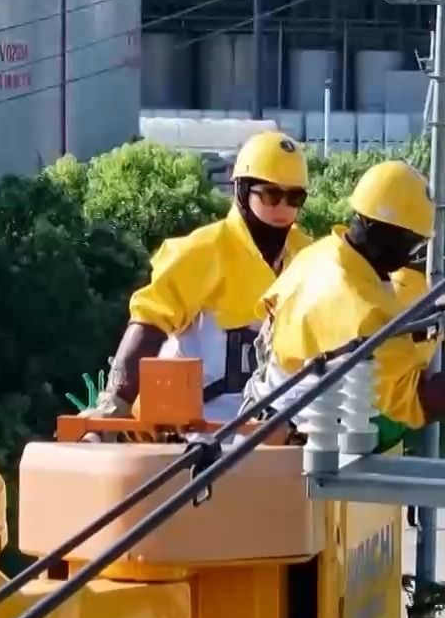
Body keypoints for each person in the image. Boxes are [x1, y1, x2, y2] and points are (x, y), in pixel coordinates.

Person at [242, 160, 445, 442]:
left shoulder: (318, 254)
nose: (413, 253)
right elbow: (415, 402)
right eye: (413, 243)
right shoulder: (367, 310)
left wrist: (427, 313)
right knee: (383, 422)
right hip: (303, 446)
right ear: (381, 234)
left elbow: (338, 327)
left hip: (261, 413)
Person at [82, 130, 313, 422]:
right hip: (194, 429)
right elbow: (148, 324)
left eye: (295, 197)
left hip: (276, 427)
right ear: (242, 190)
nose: (283, 208)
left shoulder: (308, 257)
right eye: (271, 194)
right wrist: (115, 402)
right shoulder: (202, 251)